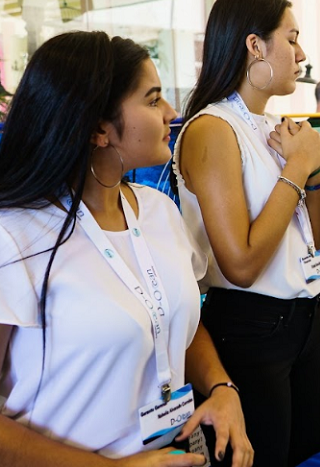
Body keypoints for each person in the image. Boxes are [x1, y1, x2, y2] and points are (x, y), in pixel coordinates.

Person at [0, 31, 251, 466]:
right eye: (153, 100)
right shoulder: (16, 238)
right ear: (99, 127)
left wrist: (222, 388)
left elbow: (172, 323)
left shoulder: (158, 212)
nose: (172, 113)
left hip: (178, 451)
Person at [173, 0, 320, 467]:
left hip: (308, 315)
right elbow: (239, 264)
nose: (301, 54)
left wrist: (316, 170)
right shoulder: (212, 129)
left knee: (312, 454)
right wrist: (298, 169)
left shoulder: (274, 127)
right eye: (292, 38)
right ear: (255, 45)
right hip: (253, 326)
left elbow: (318, 239)